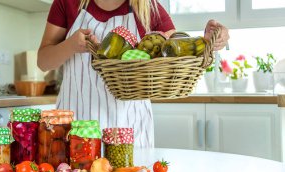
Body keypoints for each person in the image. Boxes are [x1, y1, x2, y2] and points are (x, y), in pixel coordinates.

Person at [37, 0, 230, 148]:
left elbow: (178, 49)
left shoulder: (147, 6)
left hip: (129, 131)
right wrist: (70, 45)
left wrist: (207, 40)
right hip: (76, 130)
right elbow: (43, 61)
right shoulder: (68, 3)